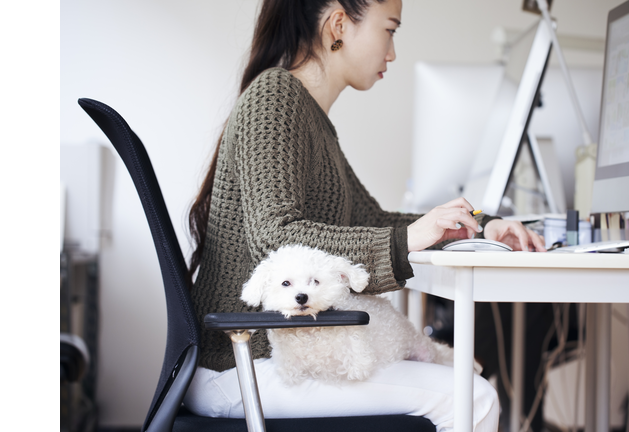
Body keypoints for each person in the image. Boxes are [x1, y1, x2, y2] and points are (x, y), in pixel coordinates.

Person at [183, 1, 546, 430]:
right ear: (339, 24)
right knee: (474, 399)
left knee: (464, 381)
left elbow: (373, 219)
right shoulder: (275, 97)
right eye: (390, 30)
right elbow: (278, 236)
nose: (392, 53)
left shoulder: (311, 119)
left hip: (269, 357)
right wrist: (408, 239)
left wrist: (483, 224)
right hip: (241, 362)